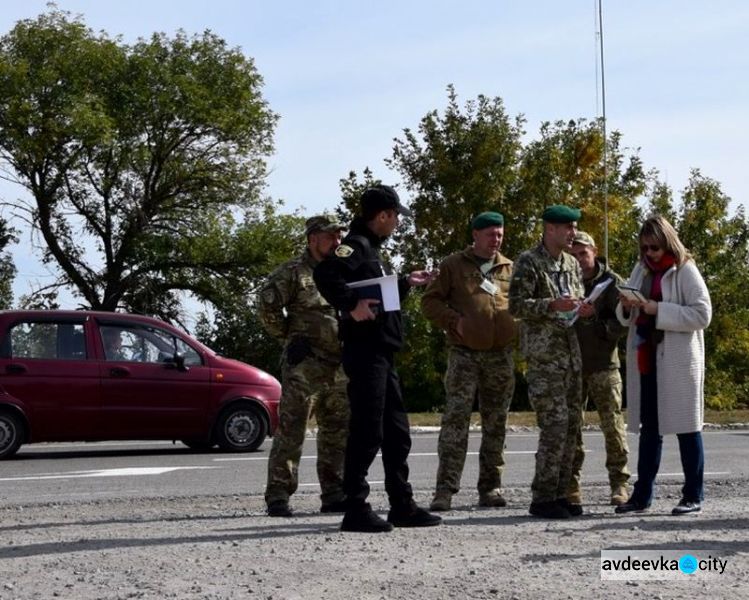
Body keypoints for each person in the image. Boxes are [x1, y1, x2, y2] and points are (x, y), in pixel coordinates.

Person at [313, 184, 442, 533]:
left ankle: (402, 504)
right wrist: (350, 306)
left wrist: (405, 282)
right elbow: (325, 274)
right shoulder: (354, 246)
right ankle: (355, 506)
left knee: (396, 432)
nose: (398, 223)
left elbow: (372, 289)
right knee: (367, 431)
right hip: (366, 352)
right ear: (383, 216)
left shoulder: (372, 250)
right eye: (396, 216)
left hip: (382, 353)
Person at [614, 215, 711, 516]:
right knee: (649, 429)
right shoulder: (641, 269)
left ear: (667, 242)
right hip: (648, 358)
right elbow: (626, 311)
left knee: (687, 428)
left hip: (679, 363)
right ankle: (642, 496)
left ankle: (693, 495)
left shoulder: (685, 270)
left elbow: (702, 315)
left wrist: (659, 310)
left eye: (654, 247)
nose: (649, 254)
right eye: (644, 248)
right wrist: (626, 306)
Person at [421, 211, 517, 511]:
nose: (495, 239)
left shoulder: (510, 268)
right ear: (475, 235)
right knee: (455, 423)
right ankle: (445, 490)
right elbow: (429, 302)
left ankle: (490, 487)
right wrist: (454, 321)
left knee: (496, 424)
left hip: (500, 356)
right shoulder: (453, 265)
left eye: (499, 234)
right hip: (464, 355)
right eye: (490, 234)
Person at [259, 215, 350, 517]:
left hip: (338, 365)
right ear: (313, 239)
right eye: (331, 236)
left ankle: (335, 493)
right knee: (293, 428)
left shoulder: (343, 271)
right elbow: (267, 304)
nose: (337, 242)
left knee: (336, 431)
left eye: (339, 236)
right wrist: (287, 336)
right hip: (304, 366)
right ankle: (279, 495)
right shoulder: (293, 272)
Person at [508, 205, 594, 519]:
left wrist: (582, 308)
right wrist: (551, 304)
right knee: (554, 425)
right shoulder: (529, 261)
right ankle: (542, 497)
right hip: (544, 356)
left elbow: (574, 298)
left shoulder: (571, 263)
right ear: (550, 229)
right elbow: (516, 305)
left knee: (572, 425)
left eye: (574, 227)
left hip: (569, 354)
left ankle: (561, 494)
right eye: (567, 227)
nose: (572, 233)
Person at [567, 231, 630, 507]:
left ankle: (619, 484)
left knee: (613, 427)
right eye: (574, 254)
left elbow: (624, 323)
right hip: (572, 365)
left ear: (594, 252)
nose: (579, 259)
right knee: (572, 428)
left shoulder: (613, 283)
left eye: (583, 253)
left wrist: (595, 321)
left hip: (604, 364)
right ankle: (571, 485)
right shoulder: (564, 279)